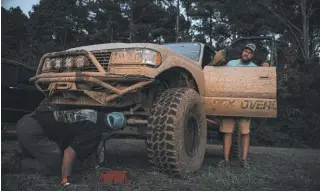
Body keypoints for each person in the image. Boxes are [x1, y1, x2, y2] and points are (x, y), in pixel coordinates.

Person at [2, 97, 127, 186]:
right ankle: (9, 163)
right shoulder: (93, 132)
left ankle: (22, 157)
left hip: (29, 120)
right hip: (33, 131)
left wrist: (97, 166)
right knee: (56, 164)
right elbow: (69, 152)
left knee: (44, 154)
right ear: (111, 131)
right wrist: (66, 180)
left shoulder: (93, 114)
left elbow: (80, 139)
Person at [217, 43, 257, 169]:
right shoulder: (231, 64)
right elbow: (222, 79)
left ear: (253, 55)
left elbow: (258, 85)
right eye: (246, 50)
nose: (247, 53)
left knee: (245, 132)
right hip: (229, 102)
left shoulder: (255, 68)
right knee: (227, 131)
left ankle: (243, 160)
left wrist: (265, 69)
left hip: (245, 104)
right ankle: (225, 160)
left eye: (250, 52)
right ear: (242, 52)